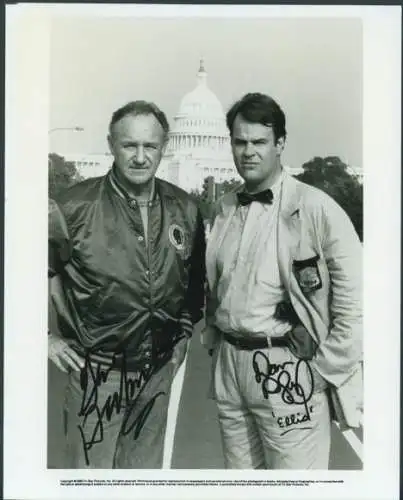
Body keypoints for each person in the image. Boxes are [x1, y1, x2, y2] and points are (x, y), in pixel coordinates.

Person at [202, 92, 362, 469]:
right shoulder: (224, 207)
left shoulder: (317, 208)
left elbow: (357, 304)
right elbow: (217, 286)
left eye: (259, 142)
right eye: (240, 142)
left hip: (287, 364)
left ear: (280, 144)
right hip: (230, 366)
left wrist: (321, 373)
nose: (249, 152)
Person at [48, 100, 206, 469]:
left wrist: (182, 333)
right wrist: (44, 336)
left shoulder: (185, 208)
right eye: (129, 145)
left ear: (163, 147)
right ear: (111, 145)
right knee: (89, 482)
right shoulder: (72, 207)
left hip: (157, 375)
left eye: (149, 146)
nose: (139, 157)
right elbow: (21, 273)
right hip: (97, 374)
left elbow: (195, 283)